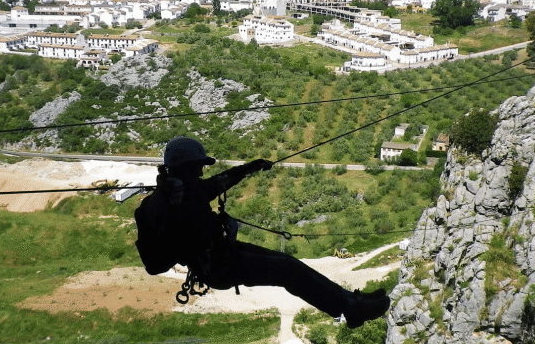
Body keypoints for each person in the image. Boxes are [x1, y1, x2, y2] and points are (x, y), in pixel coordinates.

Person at [135, 136, 390, 328]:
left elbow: (222, 180)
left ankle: (351, 302)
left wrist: (253, 166)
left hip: (223, 256)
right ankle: (350, 309)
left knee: (290, 264)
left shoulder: (190, 191)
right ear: (185, 168)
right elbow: (159, 257)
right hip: (217, 267)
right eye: (197, 167)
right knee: (289, 271)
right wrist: (173, 208)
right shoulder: (162, 204)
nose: (202, 171)